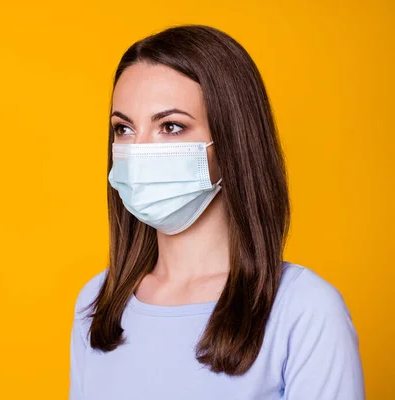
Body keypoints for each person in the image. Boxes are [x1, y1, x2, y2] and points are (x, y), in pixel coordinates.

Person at [68, 25, 365, 400]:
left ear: (231, 140)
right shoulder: (97, 302)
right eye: (124, 128)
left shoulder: (305, 310)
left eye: (171, 126)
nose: (139, 150)